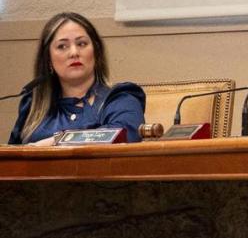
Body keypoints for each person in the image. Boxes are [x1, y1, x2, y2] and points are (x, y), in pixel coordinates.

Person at [8, 12, 146, 145]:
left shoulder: (120, 98)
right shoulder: (33, 105)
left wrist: (56, 141)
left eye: (81, 44)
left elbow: (123, 136)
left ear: (96, 52)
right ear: (48, 59)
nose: (74, 53)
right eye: (62, 46)